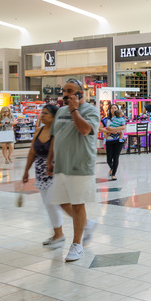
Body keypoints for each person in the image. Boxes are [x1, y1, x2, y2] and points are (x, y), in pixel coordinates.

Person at [47, 78, 100, 262]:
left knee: (78, 204)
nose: (66, 94)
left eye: (70, 91)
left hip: (80, 165)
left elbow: (85, 130)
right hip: (61, 165)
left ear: (80, 93)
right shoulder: (60, 111)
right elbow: (55, 136)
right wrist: (49, 159)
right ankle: (87, 224)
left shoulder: (91, 111)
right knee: (61, 201)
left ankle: (76, 245)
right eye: (64, 90)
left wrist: (74, 110)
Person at [22, 104, 68, 249]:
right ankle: (57, 233)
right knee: (48, 204)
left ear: (54, 117)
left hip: (55, 170)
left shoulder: (58, 132)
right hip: (41, 172)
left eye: (46, 113)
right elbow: (32, 152)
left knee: (52, 203)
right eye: (42, 113)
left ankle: (62, 233)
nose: (42, 116)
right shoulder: (38, 131)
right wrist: (26, 170)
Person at [99, 105, 126, 181]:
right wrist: (108, 131)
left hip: (118, 140)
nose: (113, 109)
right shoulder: (105, 119)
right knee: (109, 159)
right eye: (112, 108)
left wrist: (113, 129)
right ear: (110, 110)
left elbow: (123, 127)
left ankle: (113, 174)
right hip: (109, 141)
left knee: (116, 157)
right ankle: (112, 168)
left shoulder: (121, 118)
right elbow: (100, 128)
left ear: (118, 109)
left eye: (115, 108)